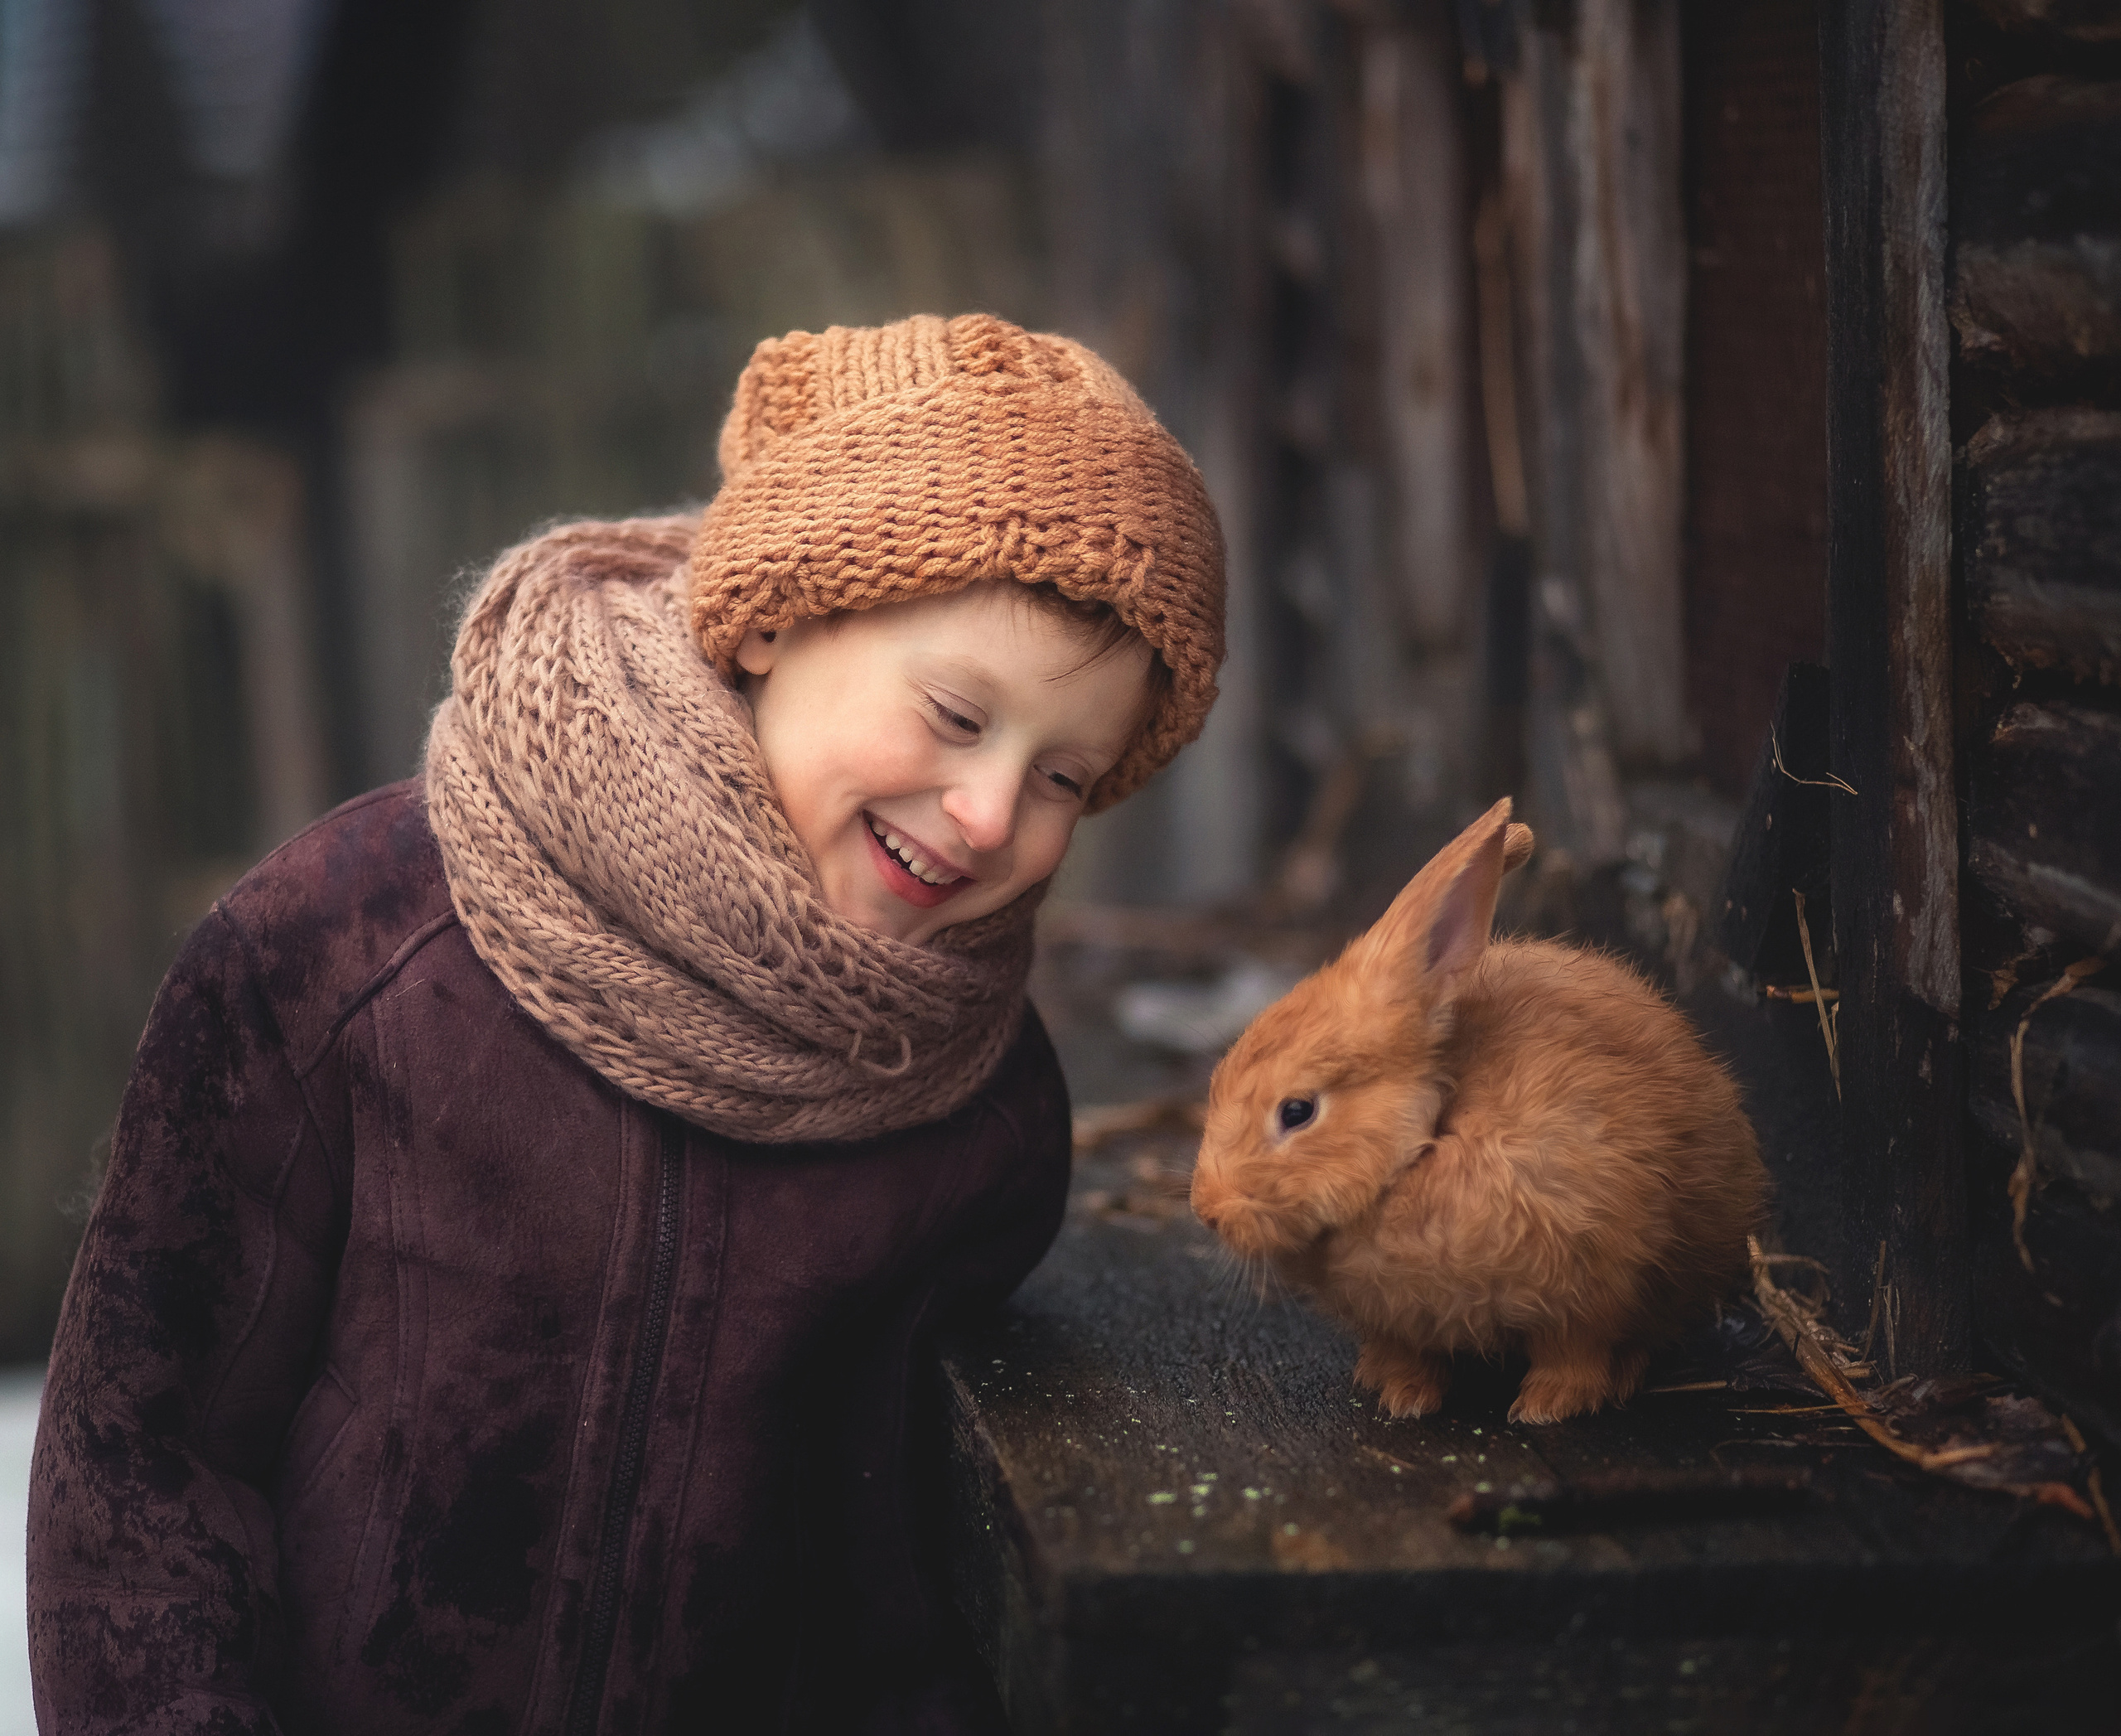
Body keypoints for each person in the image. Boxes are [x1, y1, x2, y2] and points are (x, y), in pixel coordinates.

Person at [27, 313, 1225, 1734]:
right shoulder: (349, 945)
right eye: (958, 716)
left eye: (1064, 780)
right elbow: (143, 1467)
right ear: (777, 614)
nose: (987, 815)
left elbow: (896, 1603)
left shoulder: (975, 1109)